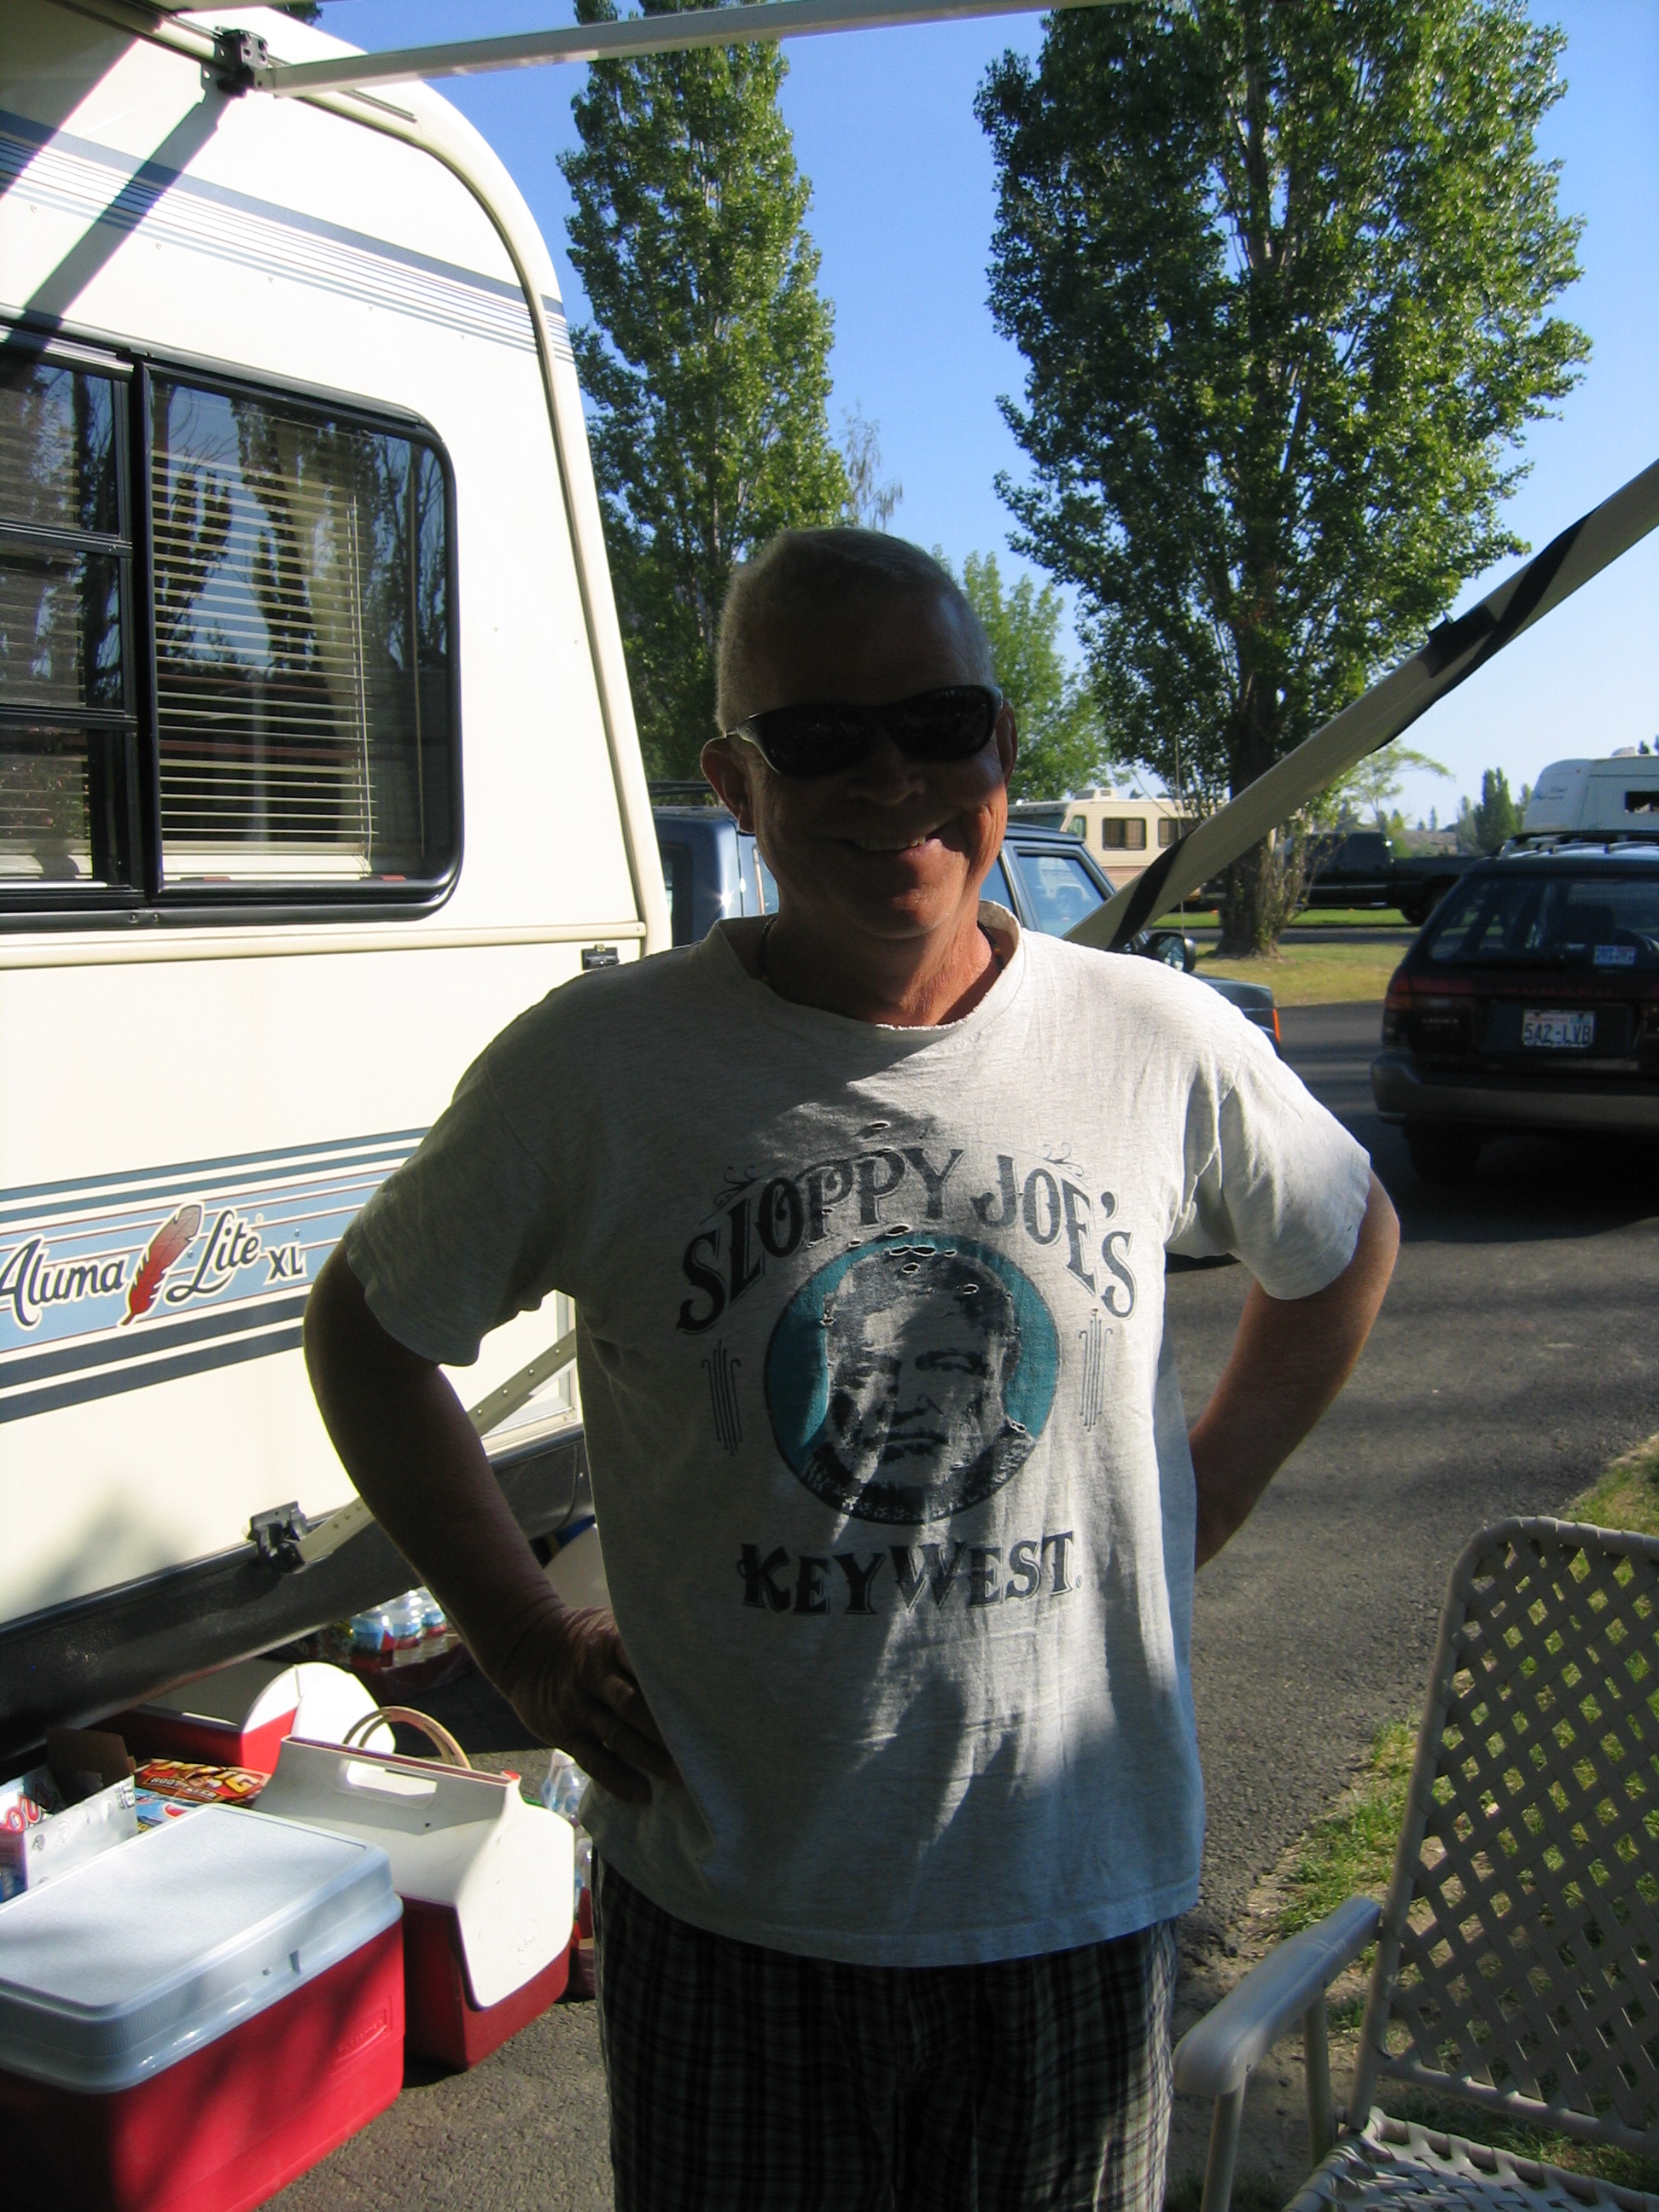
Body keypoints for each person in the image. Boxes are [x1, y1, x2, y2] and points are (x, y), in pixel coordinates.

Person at [304, 528, 1399, 2212]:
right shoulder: (598, 1071)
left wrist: (1212, 1486)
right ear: (737, 783)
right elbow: (368, 1332)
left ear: (1002, 749)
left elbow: (1344, 1237)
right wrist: (521, 1636)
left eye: (937, 723)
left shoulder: (1153, 1039)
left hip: (1072, 1905)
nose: (892, 780)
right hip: (738, 1926)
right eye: (821, 739)